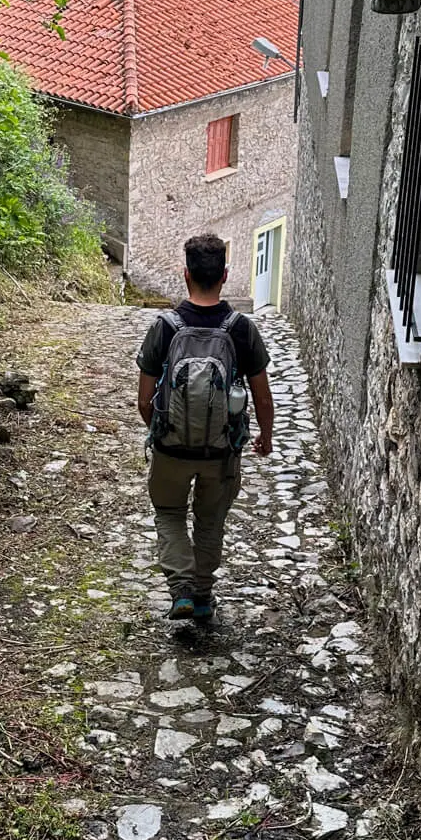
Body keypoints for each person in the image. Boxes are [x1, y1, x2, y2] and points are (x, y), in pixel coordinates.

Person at [136, 232, 274, 626]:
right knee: (211, 521)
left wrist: (163, 430)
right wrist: (264, 436)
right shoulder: (241, 328)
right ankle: (201, 595)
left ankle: (180, 589)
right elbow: (262, 397)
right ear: (225, 275)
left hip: (171, 449)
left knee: (168, 512)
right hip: (221, 451)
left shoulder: (165, 326)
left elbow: (144, 400)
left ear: (185, 275)